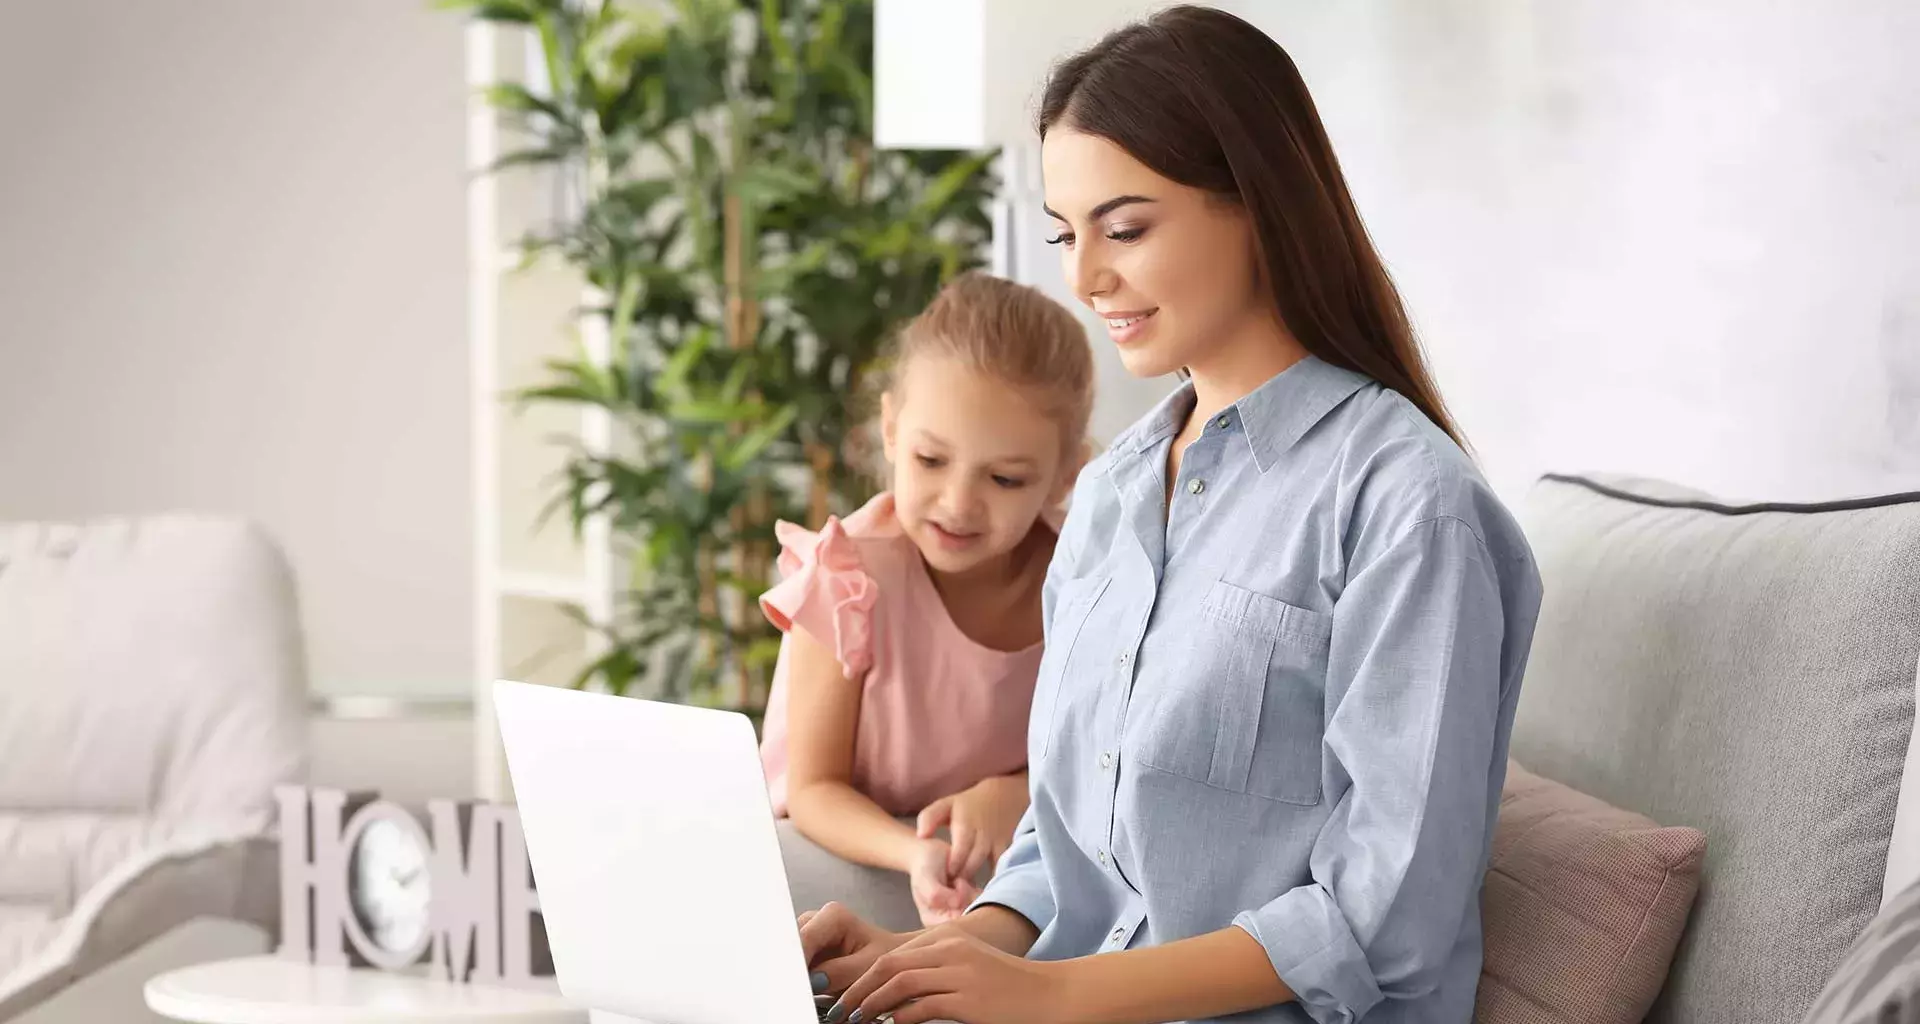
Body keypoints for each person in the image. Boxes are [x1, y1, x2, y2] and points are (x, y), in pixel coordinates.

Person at [798, 7, 1544, 1024]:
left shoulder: (1410, 504)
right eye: (1068, 233)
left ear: (1258, 203)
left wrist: (1050, 995)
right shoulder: (1108, 496)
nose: (1083, 276)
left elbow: (1383, 915)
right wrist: (934, 960)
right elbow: (1065, 843)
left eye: (1127, 227)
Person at [760, 271, 1097, 928]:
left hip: (993, 864)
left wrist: (1017, 793)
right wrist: (913, 853)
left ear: (1066, 476)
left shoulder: (1086, 583)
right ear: (891, 430)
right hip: (842, 849)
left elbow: (1103, 762)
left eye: (1004, 478)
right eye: (930, 461)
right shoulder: (847, 575)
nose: (958, 503)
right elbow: (813, 792)